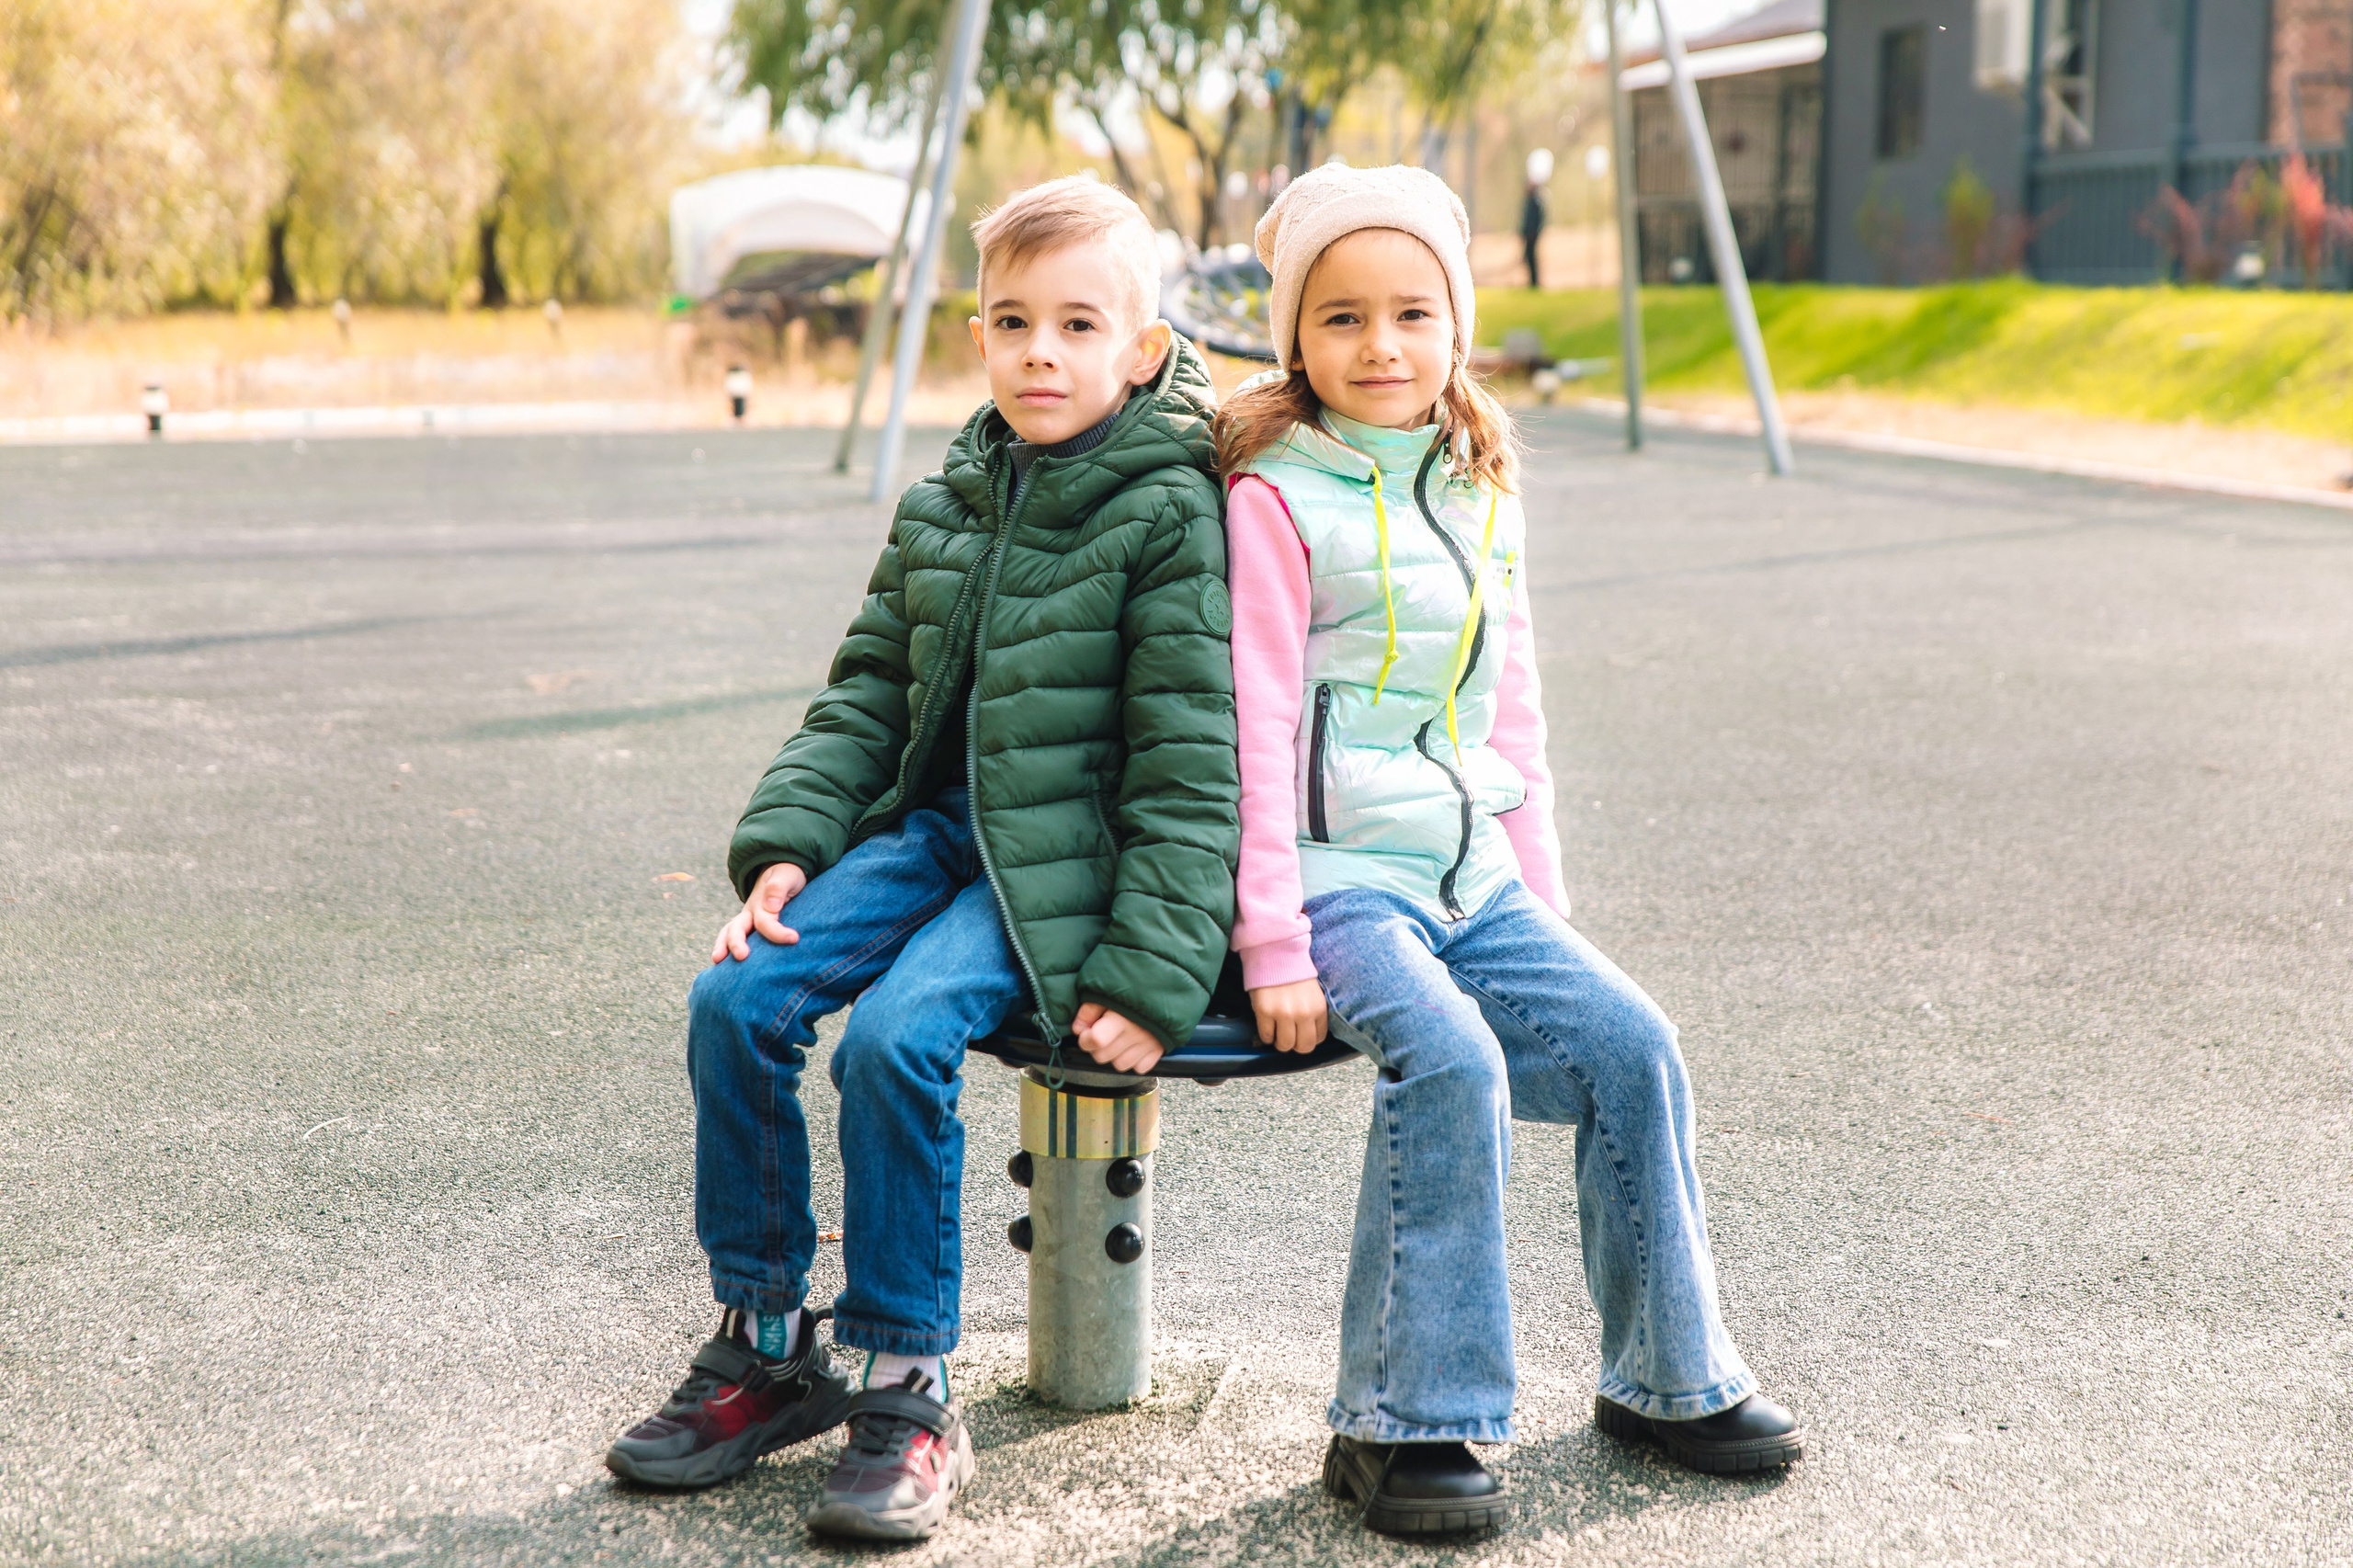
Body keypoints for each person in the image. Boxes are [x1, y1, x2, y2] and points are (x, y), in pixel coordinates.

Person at [603, 176, 1239, 1542]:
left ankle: (908, 1384)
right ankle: (772, 1343)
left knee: (893, 1040)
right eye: (1015, 323)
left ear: (1140, 348)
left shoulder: (1169, 511)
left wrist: (1151, 967)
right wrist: (785, 853)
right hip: (931, 831)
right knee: (737, 999)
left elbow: (1193, 763)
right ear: (978, 335)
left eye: (1078, 325)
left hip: (1051, 862)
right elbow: (866, 700)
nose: (1042, 353)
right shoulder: (949, 500)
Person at [1213, 163, 1802, 1540]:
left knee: (1631, 1043)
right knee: (1455, 1059)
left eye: (1412, 313)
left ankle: (1666, 1375)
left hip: (1470, 872)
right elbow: (1248, 726)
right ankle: (1395, 1421)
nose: (1381, 345)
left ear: (1456, 326)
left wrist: (1540, 899)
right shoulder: (1273, 496)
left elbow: (1513, 701)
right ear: (1296, 334)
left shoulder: (1481, 481)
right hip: (1335, 879)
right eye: (1343, 317)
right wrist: (1272, 937)